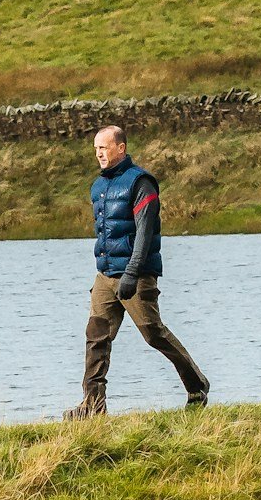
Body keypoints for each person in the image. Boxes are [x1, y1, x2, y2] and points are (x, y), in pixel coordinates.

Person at [65, 123, 209, 418]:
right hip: (105, 276)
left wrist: (132, 273)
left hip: (137, 275)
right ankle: (93, 406)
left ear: (121, 148)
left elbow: (144, 233)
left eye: (104, 147)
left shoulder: (141, 183)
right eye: (96, 149)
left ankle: (197, 386)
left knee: (153, 334)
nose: (99, 154)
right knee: (96, 337)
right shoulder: (98, 187)